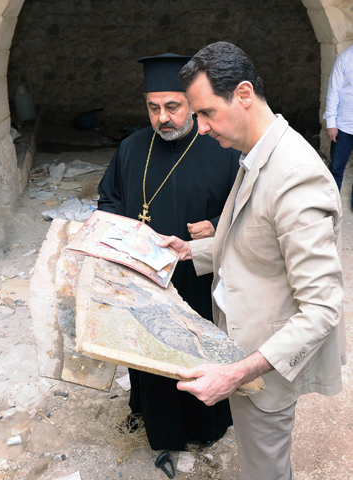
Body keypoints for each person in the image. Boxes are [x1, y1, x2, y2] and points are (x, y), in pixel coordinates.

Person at [160, 42, 346, 479]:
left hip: (264, 361)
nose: (200, 127)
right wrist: (190, 250)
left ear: (243, 94)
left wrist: (239, 371)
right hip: (244, 345)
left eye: (206, 113)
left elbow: (321, 308)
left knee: (264, 470)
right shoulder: (257, 149)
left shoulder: (296, 176)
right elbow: (257, 242)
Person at [98, 53, 240, 451]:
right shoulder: (130, 148)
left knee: (197, 352)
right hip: (143, 279)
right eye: (154, 108)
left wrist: (216, 223)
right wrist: (120, 230)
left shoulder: (223, 149)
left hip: (197, 280)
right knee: (148, 351)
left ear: (191, 105)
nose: (163, 118)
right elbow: (108, 199)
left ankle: (203, 425)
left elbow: (246, 208)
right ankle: (157, 423)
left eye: (173, 107)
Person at [324, 44, 353, 208]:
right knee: (336, 168)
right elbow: (333, 91)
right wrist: (331, 124)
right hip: (344, 126)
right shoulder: (345, 57)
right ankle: (330, 207)